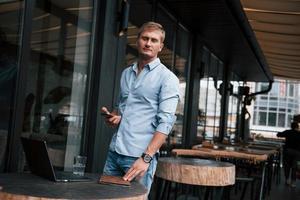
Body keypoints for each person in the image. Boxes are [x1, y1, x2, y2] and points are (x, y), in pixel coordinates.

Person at [101, 21, 180, 194]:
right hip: (114, 151)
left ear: (160, 46)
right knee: (104, 198)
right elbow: (123, 109)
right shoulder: (126, 73)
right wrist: (115, 117)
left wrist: (146, 158)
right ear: (138, 41)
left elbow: (165, 123)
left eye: (154, 40)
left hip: (138, 157)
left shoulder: (168, 78)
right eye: (145, 38)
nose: (148, 43)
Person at [277, 121, 300, 187]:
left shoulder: (288, 132)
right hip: (297, 152)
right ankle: (293, 182)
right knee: (294, 167)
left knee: (287, 166)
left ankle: (287, 180)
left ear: (291, 126)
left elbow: (278, 135)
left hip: (288, 151)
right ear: (297, 127)